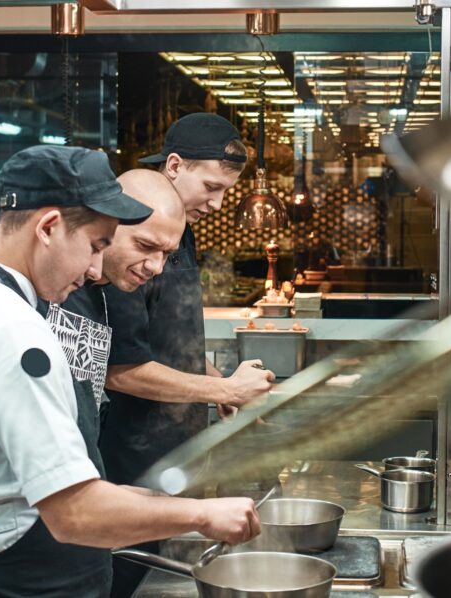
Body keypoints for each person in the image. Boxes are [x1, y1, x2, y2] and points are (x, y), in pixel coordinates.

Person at [0, 146, 261, 597]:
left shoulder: (32, 294)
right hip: (2, 553)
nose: (96, 268)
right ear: (49, 228)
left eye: (166, 256)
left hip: (39, 531)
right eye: (101, 245)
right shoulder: (2, 317)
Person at [99, 112, 277, 598]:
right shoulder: (129, 232)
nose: (217, 203)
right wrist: (222, 388)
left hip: (180, 448)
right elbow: (123, 368)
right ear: (174, 166)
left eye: (226, 191)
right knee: (133, 580)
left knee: (171, 574)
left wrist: (222, 387)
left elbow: (170, 340)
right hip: (133, 457)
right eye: (212, 186)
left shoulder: (183, 232)